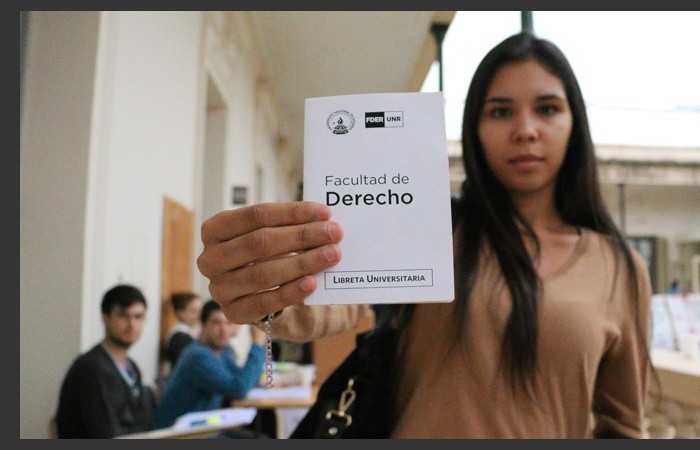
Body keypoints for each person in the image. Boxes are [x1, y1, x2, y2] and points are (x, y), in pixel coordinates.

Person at [196, 32, 653, 438]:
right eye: (500, 111)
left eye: (548, 108)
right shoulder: (435, 229)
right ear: (474, 128)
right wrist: (269, 288)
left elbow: (622, 424)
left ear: (575, 123)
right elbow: (332, 304)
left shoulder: (619, 268)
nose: (525, 130)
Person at [55, 284, 156, 438]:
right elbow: (105, 433)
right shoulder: (92, 368)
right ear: (106, 318)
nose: (131, 325)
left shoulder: (132, 368)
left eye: (138, 317)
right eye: (123, 315)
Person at [153, 299, 266, 433]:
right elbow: (240, 389)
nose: (223, 330)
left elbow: (247, 382)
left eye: (228, 323)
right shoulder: (197, 356)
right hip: (178, 434)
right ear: (203, 324)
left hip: (202, 430)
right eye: (216, 323)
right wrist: (257, 344)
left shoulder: (223, 353)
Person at [162, 291, 203, 370]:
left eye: (201, 311)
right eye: (194, 311)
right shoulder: (179, 337)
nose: (200, 315)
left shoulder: (191, 332)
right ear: (181, 313)